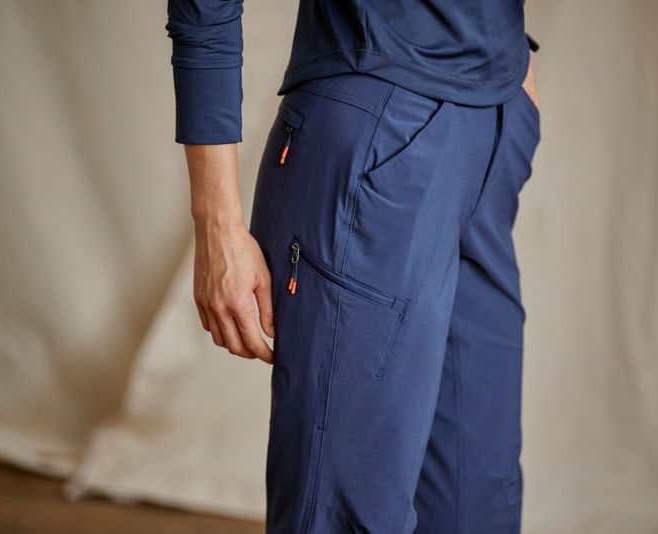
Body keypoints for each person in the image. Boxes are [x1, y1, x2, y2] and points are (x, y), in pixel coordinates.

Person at [166, 0, 541, 532]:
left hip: (493, 123)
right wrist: (215, 220)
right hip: (383, 130)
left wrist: (511, 54)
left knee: (476, 500)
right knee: (344, 513)